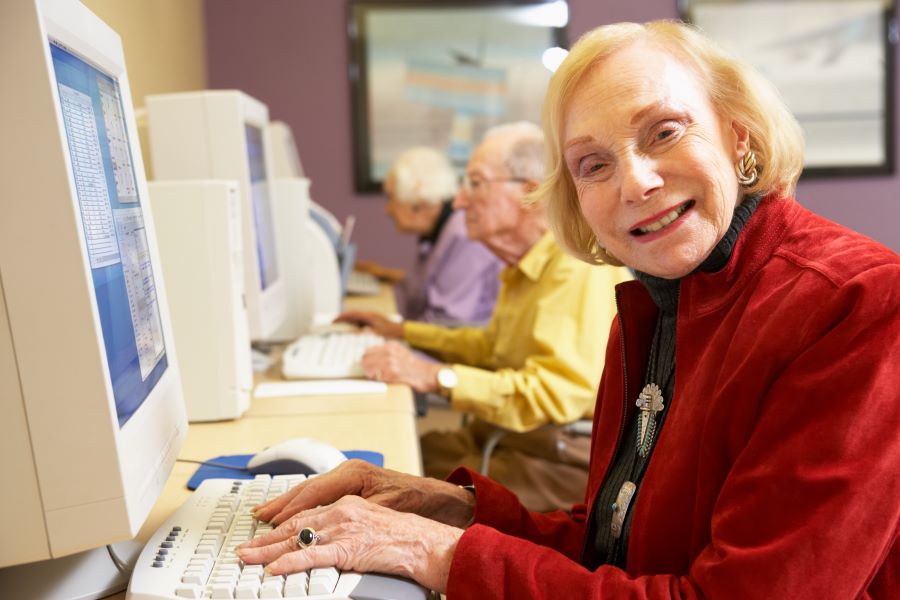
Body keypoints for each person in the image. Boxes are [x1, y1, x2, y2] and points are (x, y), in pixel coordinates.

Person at [236, 21, 900, 598]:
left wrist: (433, 552)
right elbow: (614, 548)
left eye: (665, 131)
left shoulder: (857, 303)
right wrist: (446, 509)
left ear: (739, 137)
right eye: (593, 165)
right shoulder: (647, 311)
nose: (636, 182)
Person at [340, 121, 631, 511]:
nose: (459, 202)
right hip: (504, 436)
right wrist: (404, 332)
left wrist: (435, 376)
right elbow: (491, 346)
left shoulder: (573, 268)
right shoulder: (525, 264)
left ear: (529, 193)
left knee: (382, 486)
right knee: (373, 453)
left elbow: (553, 393)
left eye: (475, 184)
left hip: (549, 457)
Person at [356, 146, 503, 325]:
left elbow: (449, 320)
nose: (388, 210)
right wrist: (386, 274)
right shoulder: (440, 231)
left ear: (418, 203)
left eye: (391, 198)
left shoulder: (463, 234)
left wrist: (395, 330)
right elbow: (429, 287)